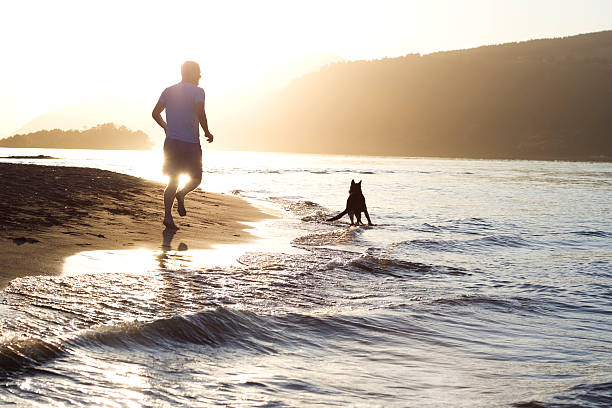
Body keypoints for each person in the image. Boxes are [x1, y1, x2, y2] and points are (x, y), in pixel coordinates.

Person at [152, 61, 214, 229]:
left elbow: (155, 113)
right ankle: (182, 194)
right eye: (198, 73)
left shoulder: (168, 91)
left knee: (172, 180)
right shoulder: (198, 92)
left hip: (171, 142)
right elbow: (201, 112)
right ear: (192, 73)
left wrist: (166, 127)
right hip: (191, 143)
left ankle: (168, 216)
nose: (200, 77)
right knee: (196, 178)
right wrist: (207, 132)